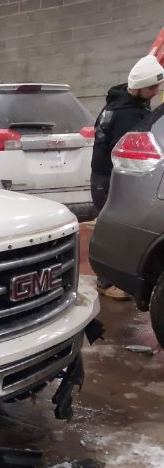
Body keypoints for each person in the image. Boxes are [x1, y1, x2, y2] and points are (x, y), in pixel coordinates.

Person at [90, 54, 164, 300]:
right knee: (114, 225)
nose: (156, 91)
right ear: (140, 86)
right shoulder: (128, 115)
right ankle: (106, 280)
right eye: (152, 87)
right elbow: (126, 151)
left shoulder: (118, 101)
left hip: (101, 176)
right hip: (110, 178)